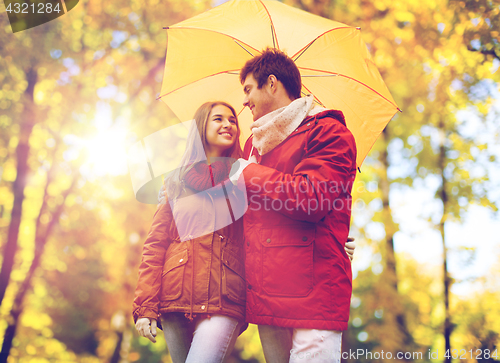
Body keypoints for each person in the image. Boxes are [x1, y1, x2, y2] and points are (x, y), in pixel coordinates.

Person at [230, 48, 357, 363]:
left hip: (313, 293)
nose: (243, 101)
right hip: (266, 292)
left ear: (271, 83)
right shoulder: (254, 145)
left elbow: (311, 198)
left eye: (248, 89)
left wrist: (247, 172)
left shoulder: (328, 131)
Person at [133, 101, 247, 363]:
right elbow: (155, 245)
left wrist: (331, 238)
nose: (228, 124)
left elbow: (270, 224)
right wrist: (146, 307)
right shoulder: (174, 181)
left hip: (224, 298)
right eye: (218, 119)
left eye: (232, 120)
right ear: (201, 127)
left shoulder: (244, 176)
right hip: (175, 298)